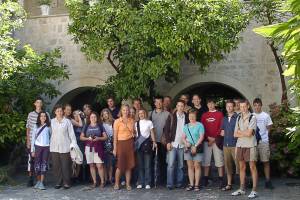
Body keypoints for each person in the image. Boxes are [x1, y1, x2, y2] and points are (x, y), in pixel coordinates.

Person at [232, 100, 258, 199]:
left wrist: (241, 132)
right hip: (240, 145)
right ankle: (242, 189)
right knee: (241, 167)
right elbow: (235, 134)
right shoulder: (238, 117)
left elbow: (249, 133)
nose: (242, 108)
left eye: (244, 106)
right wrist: (245, 132)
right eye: (241, 106)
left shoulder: (253, 117)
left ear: (248, 106)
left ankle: (254, 190)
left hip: (250, 145)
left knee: (252, 167)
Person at [50, 104, 77, 189]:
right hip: (54, 147)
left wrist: (73, 145)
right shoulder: (52, 121)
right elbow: (50, 133)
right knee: (56, 166)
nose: (59, 112)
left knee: (65, 165)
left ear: (63, 112)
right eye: (57, 111)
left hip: (65, 146)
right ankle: (58, 182)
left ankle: (66, 182)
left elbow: (72, 134)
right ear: (55, 112)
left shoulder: (67, 121)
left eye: (61, 111)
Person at [164, 100, 189, 190]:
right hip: (173, 144)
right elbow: (166, 130)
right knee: (170, 165)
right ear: (176, 107)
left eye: (182, 106)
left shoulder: (187, 117)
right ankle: (170, 184)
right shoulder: (171, 116)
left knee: (181, 165)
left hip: (183, 144)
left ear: (184, 107)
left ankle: (179, 183)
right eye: (179, 106)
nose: (180, 107)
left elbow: (189, 131)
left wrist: (187, 144)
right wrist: (168, 142)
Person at [26, 97, 49, 187]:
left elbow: (49, 126)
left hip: (43, 143)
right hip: (32, 140)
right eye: (37, 102)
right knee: (31, 160)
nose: (39, 104)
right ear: (35, 104)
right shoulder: (31, 114)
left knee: (42, 161)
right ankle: (30, 178)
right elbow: (28, 127)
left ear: (42, 104)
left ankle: (41, 180)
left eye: (40, 102)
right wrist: (28, 140)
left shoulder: (45, 114)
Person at [201, 99, 225, 188]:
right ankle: (205, 180)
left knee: (219, 161)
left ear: (214, 103)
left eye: (212, 103)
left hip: (217, 141)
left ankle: (221, 180)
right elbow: (202, 128)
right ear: (207, 105)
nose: (210, 105)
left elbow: (221, 127)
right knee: (206, 162)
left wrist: (214, 138)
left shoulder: (219, 114)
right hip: (207, 141)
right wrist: (208, 138)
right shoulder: (204, 115)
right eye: (209, 104)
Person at [80, 112, 108, 189]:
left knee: (99, 165)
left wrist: (98, 138)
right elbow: (81, 137)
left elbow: (105, 137)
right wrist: (87, 138)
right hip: (88, 147)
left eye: (94, 117)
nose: (93, 118)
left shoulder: (100, 126)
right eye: (91, 117)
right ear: (89, 118)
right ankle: (95, 182)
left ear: (97, 118)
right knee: (91, 165)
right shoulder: (86, 126)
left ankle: (102, 182)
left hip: (98, 147)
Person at [113, 104, 135, 191]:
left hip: (130, 143)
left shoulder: (131, 120)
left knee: (129, 165)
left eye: (127, 110)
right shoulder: (117, 121)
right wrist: (115, 148)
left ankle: (128, 184)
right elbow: (115, 136)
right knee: (120, 165)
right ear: (121, 111)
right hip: (120, 144)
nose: (126, 111)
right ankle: (116, 183)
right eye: (124, 110)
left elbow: (134, 132)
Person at [253, 98, 274, 189]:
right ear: (253, 106)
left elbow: (269, 127)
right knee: (252, 162)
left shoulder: (266, 115)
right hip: (253, 142)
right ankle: (253, 181)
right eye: (255, 105)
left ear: (261, 105)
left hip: (263, 141)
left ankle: (268, 181)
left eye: (258, 105)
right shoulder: (251, 115)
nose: (257, 107)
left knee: (265, 161)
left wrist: (265, 135)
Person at [149, 96, 170, 185]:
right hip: (152, 141)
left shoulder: (167, 114)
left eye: (160, 102)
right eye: (157, 102)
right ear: (154, 103)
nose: (158, 104)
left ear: (163, 103)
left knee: (163, 161)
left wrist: (165, 137)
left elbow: (169, 128)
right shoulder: (150, 114)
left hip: (162, 141)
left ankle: (163, 180)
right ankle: (152, 180)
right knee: (151, 161)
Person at [182, 109, 205, 192]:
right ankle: (191, 184)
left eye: (193, 115)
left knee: (197, 166)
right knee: (190, 167)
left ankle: (197, 185)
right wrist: (186, 143)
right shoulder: (186, 126)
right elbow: (183, 137)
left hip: (197, 147)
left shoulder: (200, 125)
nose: (191, 117)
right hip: (188, 148)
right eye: (190, 116)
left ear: (196, 116)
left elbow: (201, 137)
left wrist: (195, 146)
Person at [135, 108, 157, 189]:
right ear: (138, 114)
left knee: (147, 165)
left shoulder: (149, 122)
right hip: (139, 146)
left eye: (142, 113)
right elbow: (135, 134)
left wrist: (154, 142)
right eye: (139, 113)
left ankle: (147, 182)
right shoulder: (136, 123)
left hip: (147, 145)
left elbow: (152, 132)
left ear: (145, 114)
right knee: (140, 165)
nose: (141, 114)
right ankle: (140, 182)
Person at [220, 100, 239, 191]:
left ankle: (242, 184)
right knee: (228, 165)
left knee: (239, 165)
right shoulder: (224, 118)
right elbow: (222, 130)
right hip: (225, 145)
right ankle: (229, 184)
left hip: (235, 145)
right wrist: (222, 132)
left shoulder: (238, 117)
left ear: (234, 107)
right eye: (227, 106)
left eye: (231, 106)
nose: (229, 108)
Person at [31, 111, 51, 190]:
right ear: (39, 117)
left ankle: (42, 182)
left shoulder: (48, 126)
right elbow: (33, 138)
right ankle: (38, 181)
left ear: (46, 118)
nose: (43, 117)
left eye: (44, 116)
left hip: (46, 147)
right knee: (37, 165)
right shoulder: (36, 126)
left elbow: (51, 137)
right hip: (38, 147)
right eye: (41, 116)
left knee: (44, 164)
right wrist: (32, 150)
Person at [100, 108, 115, 185]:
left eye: (107, 114)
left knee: (111, 163)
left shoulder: (113, 122)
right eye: (104, 114)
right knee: (104, 163)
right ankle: (105, 179)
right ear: (102, 115)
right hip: (103, 144)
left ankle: (110, 178)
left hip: (111, 143)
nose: (105, 115)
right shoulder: (100, 124)